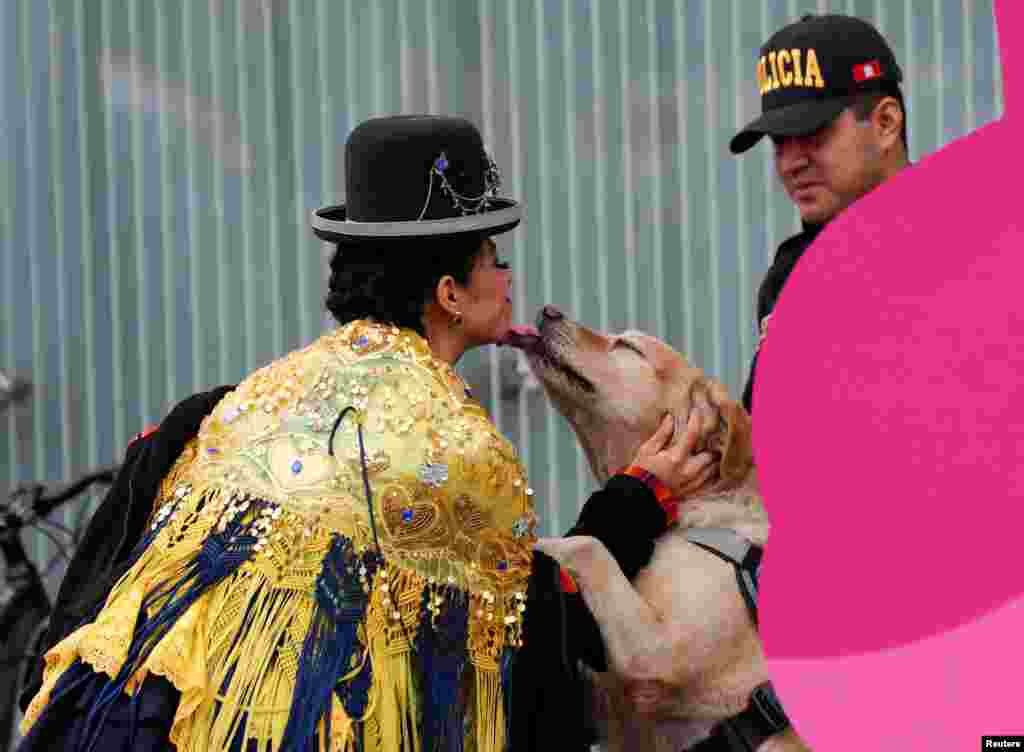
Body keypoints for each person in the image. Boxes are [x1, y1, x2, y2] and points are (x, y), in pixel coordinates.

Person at [18, 115, 714, 752]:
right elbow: (531, 650)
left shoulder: (238, 403)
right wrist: (637, 504)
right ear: (449, 293)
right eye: (494, 258)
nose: (507, 277)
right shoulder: (450, 447)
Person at [731, 13, 912, 414]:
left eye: (813, 134)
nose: (790, 163)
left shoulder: (976, 248)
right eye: (779, 141)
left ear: (885, 123)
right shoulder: (791, 272)